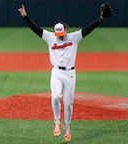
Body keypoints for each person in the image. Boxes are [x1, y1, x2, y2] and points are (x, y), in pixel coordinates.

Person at [18, 3, 113, 142]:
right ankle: (57, 122)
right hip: (56, 73)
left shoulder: (74, 37)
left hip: (70, 74)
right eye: (58, 34)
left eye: (62, 33)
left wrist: (100, 19)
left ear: (66, 30)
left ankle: (67, 127)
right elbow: (36, 29)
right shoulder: (50, 37)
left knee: (68, 103)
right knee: (55, 97)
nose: (60, 36)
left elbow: (87, 29)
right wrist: (26, 17)